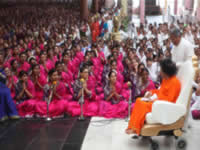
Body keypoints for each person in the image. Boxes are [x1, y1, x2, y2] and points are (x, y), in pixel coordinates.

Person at [125, 58, 181, 135]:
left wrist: (153, 100)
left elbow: (170, 100)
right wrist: (151, 92)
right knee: (139, 100)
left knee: (143, 104)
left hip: (164, 105)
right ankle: (132, 126)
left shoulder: (175, 82)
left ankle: (136, 128)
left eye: (161, 70)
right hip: (158, 101)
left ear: (166, 71)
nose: (160, 72)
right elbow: (160, 91)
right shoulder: (165, 79)